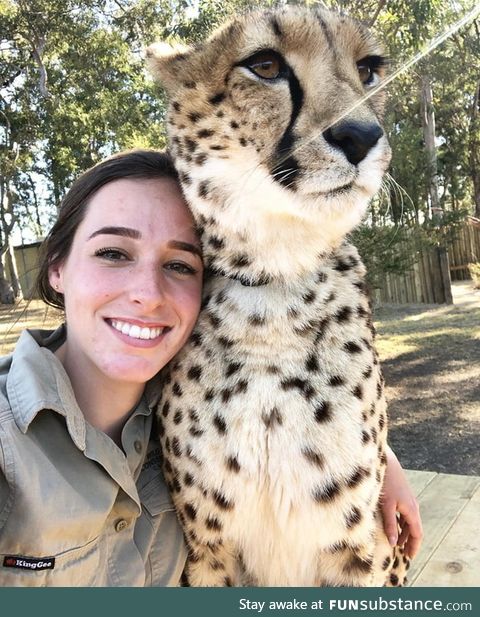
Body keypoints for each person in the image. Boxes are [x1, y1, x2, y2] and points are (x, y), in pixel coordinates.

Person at [0, 149, 421, 587]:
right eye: (113, 253)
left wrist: (379, 456)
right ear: (57, 268)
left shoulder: (185, 410)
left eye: (180, 265)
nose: (148, 293)